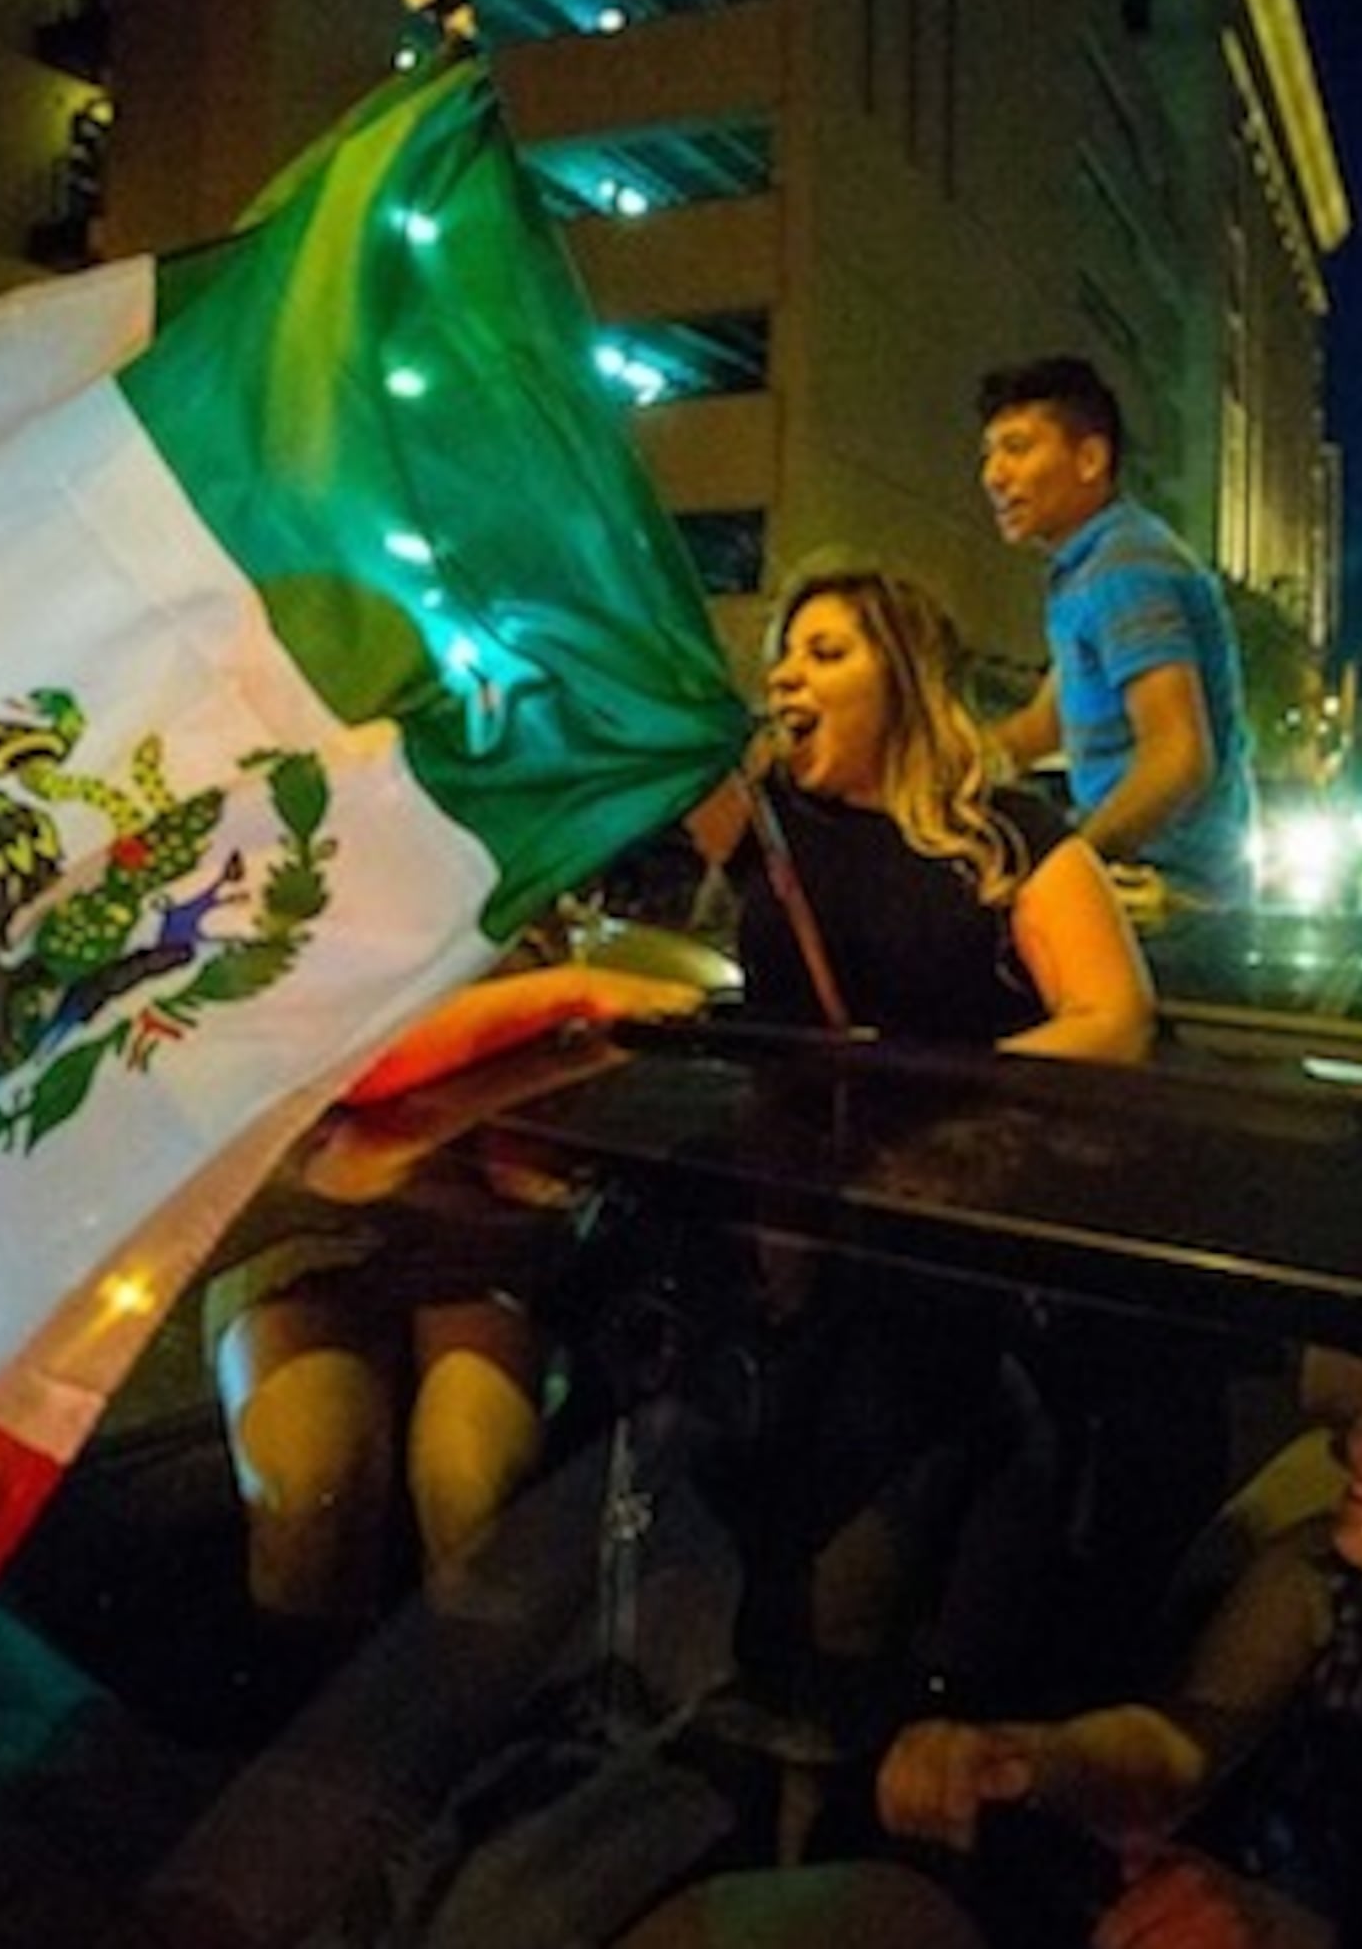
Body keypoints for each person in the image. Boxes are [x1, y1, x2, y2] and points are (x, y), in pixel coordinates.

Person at [617, 1354, 1362, 1949]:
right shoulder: (1317, 1574)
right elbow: (1174, 1753)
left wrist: (1279, 1930)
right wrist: (1021, 1757)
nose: (1360, 1446)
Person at [205, 945, 707, 1639]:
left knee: (470, 1489)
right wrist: (574, 993)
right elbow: (345, 1139)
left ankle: (458, 1708)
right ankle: (316, 1724)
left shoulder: (500, 899)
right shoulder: (284, 910)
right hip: (306, 1234)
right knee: (309, 1487)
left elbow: (528, 1169)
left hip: (477, 1243)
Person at [700, 555, 1156, 1063]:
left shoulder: (1013, 835)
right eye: (783, 656)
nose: (784, 676)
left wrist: (942, 1092)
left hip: (958, 1135)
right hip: (775, 1137)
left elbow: (1114, 1022)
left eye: (826, 654)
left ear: (905, 682)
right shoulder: (765, 821)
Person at [976, 356, 1259, 915]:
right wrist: (927, 768)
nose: (993, 476)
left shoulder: (1125, 569)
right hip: (1151, 880)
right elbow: (1044, 725)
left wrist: (1073, 867)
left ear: (1090, 458)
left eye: (1017, 448)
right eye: (989, 455)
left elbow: (1178, 755)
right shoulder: (1088, 567)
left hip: (1170, 896)